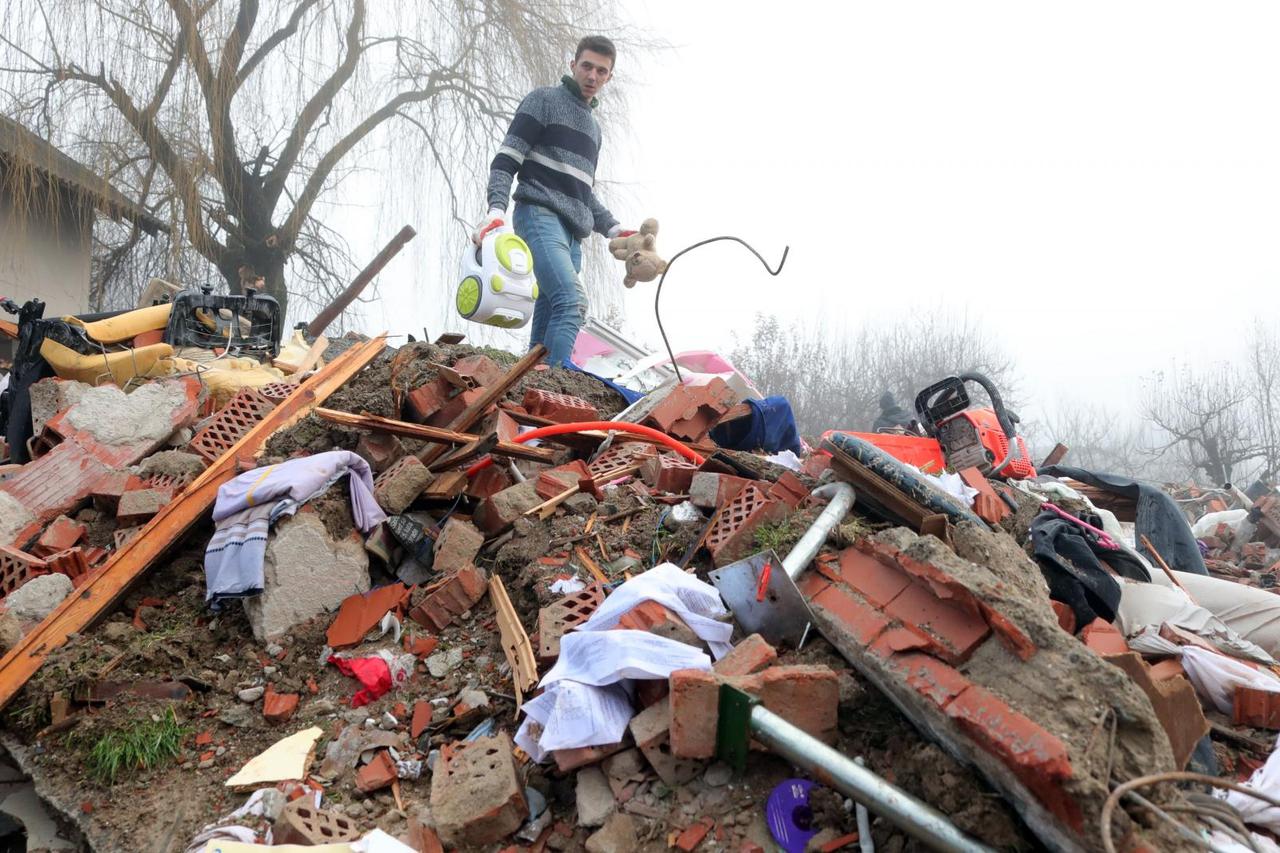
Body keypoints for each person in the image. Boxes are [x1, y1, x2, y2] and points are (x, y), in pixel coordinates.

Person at [474, 35, 634, 367]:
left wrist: (616, 230)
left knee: (547, 320)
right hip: (539, 215)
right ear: (572, 65)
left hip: (573, 235)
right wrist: (496, 209)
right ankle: (558, 389)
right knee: (571, 302)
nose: (592, 76)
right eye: (587, 66)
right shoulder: (543, 101)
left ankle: (532, 382)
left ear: (609, 77)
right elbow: (506, 159)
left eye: (601, 71)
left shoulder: (594, 129)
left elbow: (582, 190)